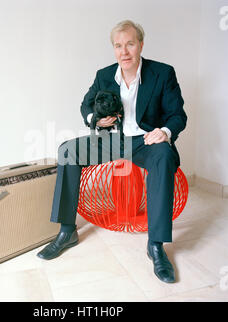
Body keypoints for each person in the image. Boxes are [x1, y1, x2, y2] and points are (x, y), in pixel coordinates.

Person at [37, 20, 187, 284]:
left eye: (130, 44)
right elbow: (85, 106)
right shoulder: (104, 75)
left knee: (163, 156)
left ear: (140, 44)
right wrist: (96, 117)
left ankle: (156, 245)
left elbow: (178, 115)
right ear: (114, 49)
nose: (124, 51)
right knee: (68, 150)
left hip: (145, 141)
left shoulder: (162, 73)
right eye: (118, 46)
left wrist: (164, 131)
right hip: (111, 140)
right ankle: (67, 230)